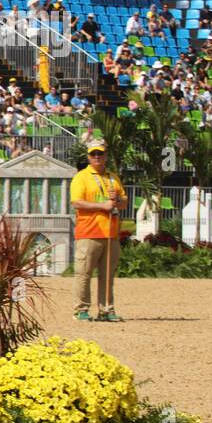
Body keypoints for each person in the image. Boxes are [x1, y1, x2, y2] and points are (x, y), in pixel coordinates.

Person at [70, 137, 128, 322]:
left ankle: (106, 309)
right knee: (83, 273)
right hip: (89, 232)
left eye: (100, 154)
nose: (97, 157)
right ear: (88, 157)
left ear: (106, 156)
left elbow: (124, 202)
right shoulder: (81, 177)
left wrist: (117, 201)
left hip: (111, 233)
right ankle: (81, 310)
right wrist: (102, 206)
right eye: (93, 154)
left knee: (107, 275)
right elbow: (76, 202)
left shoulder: (113, 177)